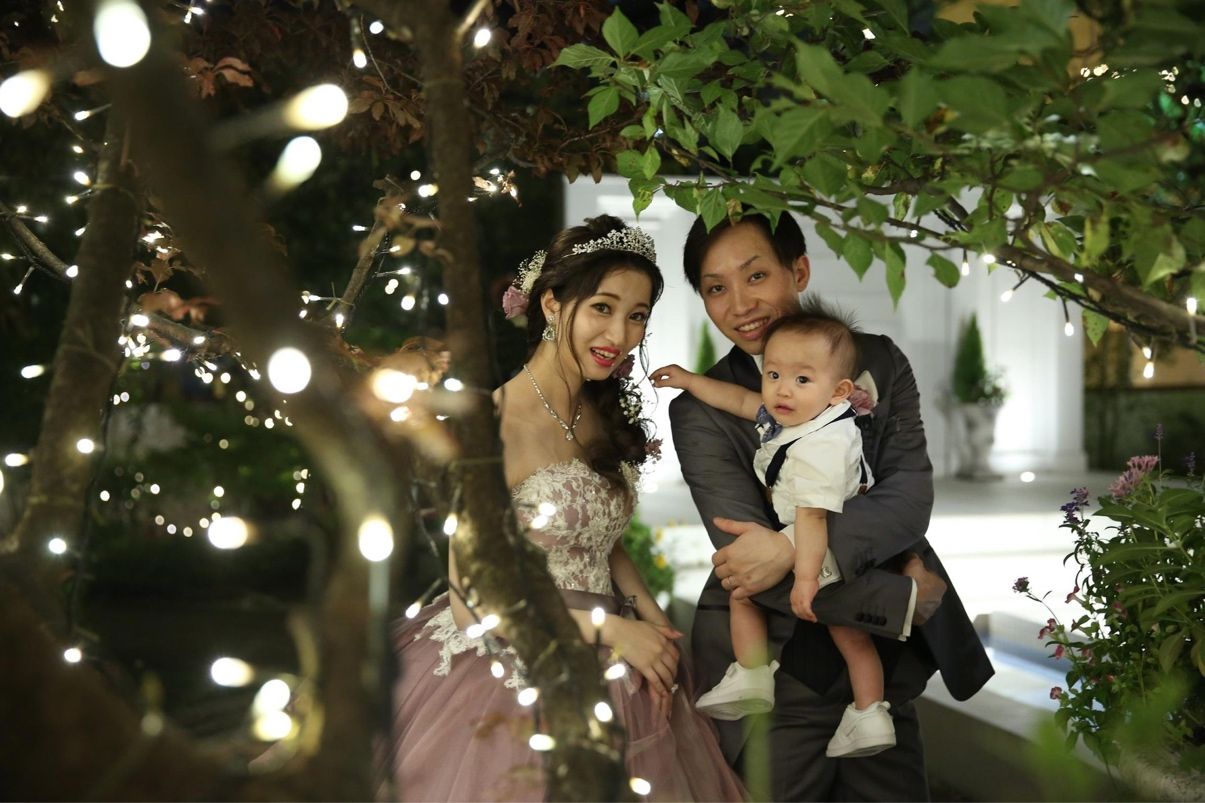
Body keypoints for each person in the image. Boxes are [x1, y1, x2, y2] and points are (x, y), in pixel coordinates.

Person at [387, 215, 746, 802]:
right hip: (516, 663)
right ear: (552, 303)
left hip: (618, 658)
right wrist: (613, 630)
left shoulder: (598, 416)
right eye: (603, 307)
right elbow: (470, 603)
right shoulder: (490, 427)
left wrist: (652, 619)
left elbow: (601, 538)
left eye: (637, 316)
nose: (621, 334)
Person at [668, 210, 995, 800]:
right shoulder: (700, 409)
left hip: (885, 668)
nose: (740, 304)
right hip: (775, 665)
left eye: (756, 275)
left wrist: (791, 544)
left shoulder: (878, 362)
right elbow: (748, 561)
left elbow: (906, 498)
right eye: (716, 288)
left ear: (798, 270)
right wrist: (902, 600)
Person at [653, 302, 897, 759]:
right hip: (816, 531)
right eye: (774, 374)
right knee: (849, 633)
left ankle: (756, 675)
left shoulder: (823, 443)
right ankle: (868, 712)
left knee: (747, 594)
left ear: (839, 391)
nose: (783, 389)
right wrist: (689, 381)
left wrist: (805, 580)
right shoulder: (801, 416)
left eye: (802, 379)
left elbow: (813, 518)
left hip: (824, 539)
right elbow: (739, 401)